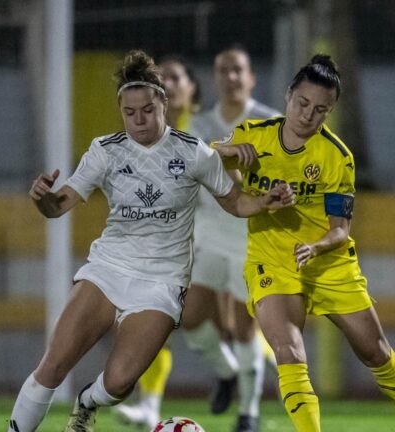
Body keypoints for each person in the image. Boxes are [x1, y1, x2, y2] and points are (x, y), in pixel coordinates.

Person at [6, 49, 294, 432]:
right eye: (130, 112)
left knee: (120, 382)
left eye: (147, 110)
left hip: (162, 282)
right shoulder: (104, 151)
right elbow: (58, 206)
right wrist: (43, 196)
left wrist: (264, 202)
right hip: (108, 270)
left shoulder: (193, 151)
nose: (139, 120)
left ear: (163, 103)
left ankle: (88, 402)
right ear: (121, 110)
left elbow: (234, 202)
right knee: (53, 365)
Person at [212, 54, 395, 432]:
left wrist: (316, 247)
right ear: (288, 96)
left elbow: (340, 230)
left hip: (327, 262)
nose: (308, 116)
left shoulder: (337, 157)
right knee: (289, 351)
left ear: (329, 112)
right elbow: (204, 158)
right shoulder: (253, 134)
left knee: (375, 351)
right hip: (272, 259)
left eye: (320, 110)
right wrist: (229, 154)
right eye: (302, 104)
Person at [114, 47, 280, 432]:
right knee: (188, 317)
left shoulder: (268, 122)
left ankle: (248, 414)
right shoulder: (201, 126)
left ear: (251, 76)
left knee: (242, 325)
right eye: (223, 70)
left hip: (252, 237)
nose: (231, 76)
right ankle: (227, 373)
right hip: (207, 235)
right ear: (215, 78)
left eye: (238, 69)